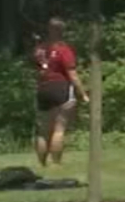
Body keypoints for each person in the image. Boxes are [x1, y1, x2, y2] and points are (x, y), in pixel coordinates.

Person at [33, 17, 88, 168]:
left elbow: (36, 69)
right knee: (59, 128)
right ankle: (56, 163)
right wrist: (82, 93)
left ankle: (42, 163)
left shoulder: (39, 50)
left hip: (43, 88)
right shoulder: (64, 50)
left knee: (43, 130)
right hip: (60, 87)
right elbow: (72, 73)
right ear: (61, 31)